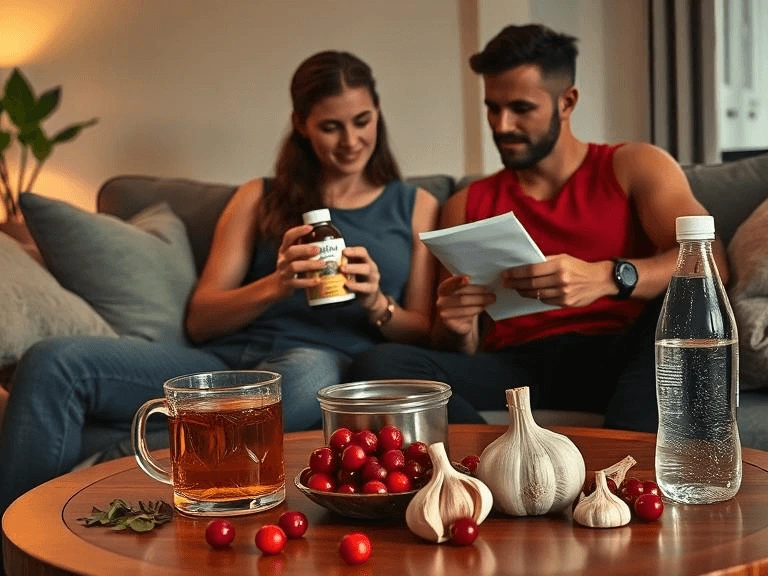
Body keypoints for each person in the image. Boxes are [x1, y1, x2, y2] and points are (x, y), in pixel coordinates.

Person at [0, 51, 438, 527]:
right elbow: (201, 319)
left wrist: (376, 300)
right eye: (331, 126)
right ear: (301, 125)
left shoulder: (415, 206)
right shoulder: (258, 195)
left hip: (314, 366)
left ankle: (161, 452)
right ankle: (19, 540)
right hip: (220, 367)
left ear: (378, 113)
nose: (351, 141)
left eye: (362, 121)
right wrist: (276, 284)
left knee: (307, 371)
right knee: (52, 361)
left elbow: (423, 331)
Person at [347, 23, 730, 433]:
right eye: (492, 108)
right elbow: (455, 344)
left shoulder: (635, 166)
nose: (502, 124)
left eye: (521, 108)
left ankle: (623, 473)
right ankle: (490, 469)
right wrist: (456, 328)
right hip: (515, 367)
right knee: (382, 365)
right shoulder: (466, 203)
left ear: (567, 102)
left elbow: (711, 263)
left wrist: (608, 276)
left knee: (688, 303)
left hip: (618, 358)